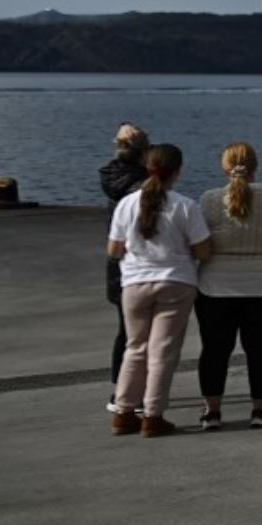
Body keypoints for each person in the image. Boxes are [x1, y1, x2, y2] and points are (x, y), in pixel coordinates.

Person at [107, 144, 212, 437]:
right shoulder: (185, 206)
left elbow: (114, 250)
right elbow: (203, 251)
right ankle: (152, 416)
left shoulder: (126, 204)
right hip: (176, 282)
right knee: (162, 352)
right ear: (178, 171)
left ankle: (124, 412)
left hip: (134, 283)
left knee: (134, 347)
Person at [195, 143, 262, 431]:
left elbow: (199, 236)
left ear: (224, 167)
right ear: (255, 166)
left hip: (217, 285)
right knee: (261, 349)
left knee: (214, 350)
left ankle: (211, 413)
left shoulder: (210, 199)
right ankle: (260, 410)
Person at [97, 122, 151, 412]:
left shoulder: (110, 177)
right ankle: (142, 393)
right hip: (146, 265)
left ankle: (120, 390)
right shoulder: (146, 184)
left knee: (126, 332)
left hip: (118, 267)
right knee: (149, 335)